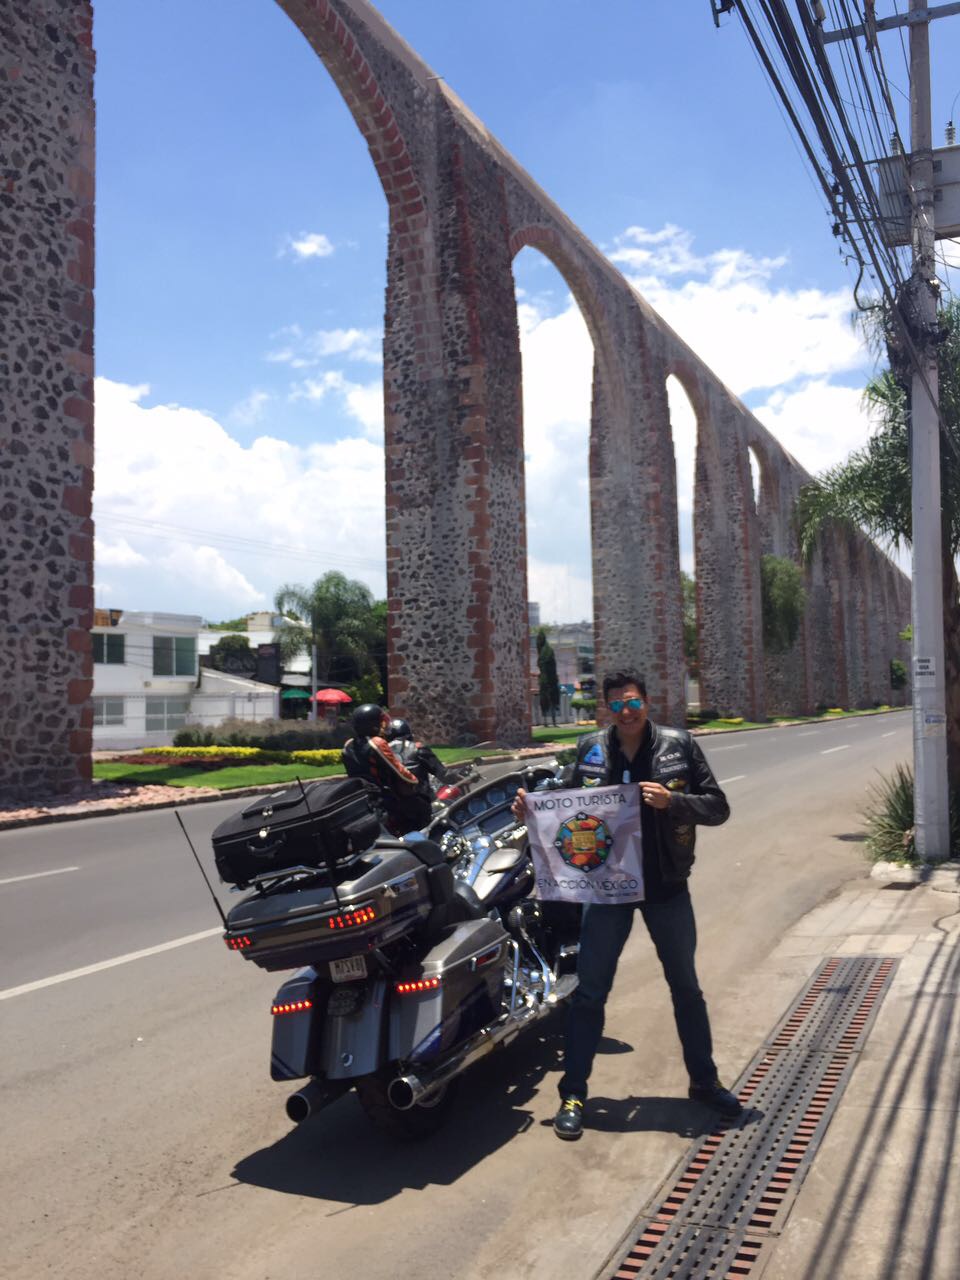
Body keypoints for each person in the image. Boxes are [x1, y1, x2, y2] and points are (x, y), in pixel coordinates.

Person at [512, 668, 740, 1140]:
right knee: (590, 993)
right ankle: (574, 1093)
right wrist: (529, 808)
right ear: (607, 709)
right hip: (608, 890)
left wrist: (672, 803)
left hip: (666, 887)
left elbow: (718, 806)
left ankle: (704, 1082)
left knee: (686, 989)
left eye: (632, 701)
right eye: (616, 705)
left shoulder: (680, 746)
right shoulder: (590, 749)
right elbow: (568, 805)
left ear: (647, 701)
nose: (626, 711)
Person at [341, 704, 432, 836]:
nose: (383, 725)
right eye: (381, 721)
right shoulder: (376, 742)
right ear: (374, 724)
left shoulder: (348, 745)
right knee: (422, 811)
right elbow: (401, 773)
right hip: (383, 798)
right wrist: (415, 781)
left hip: (361, 796)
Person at [384, 717, 452, 788]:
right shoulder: (418, 749)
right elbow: (443, 775)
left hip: (396, 798)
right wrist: (458, 778)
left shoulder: (383, 755)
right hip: (423, 796)